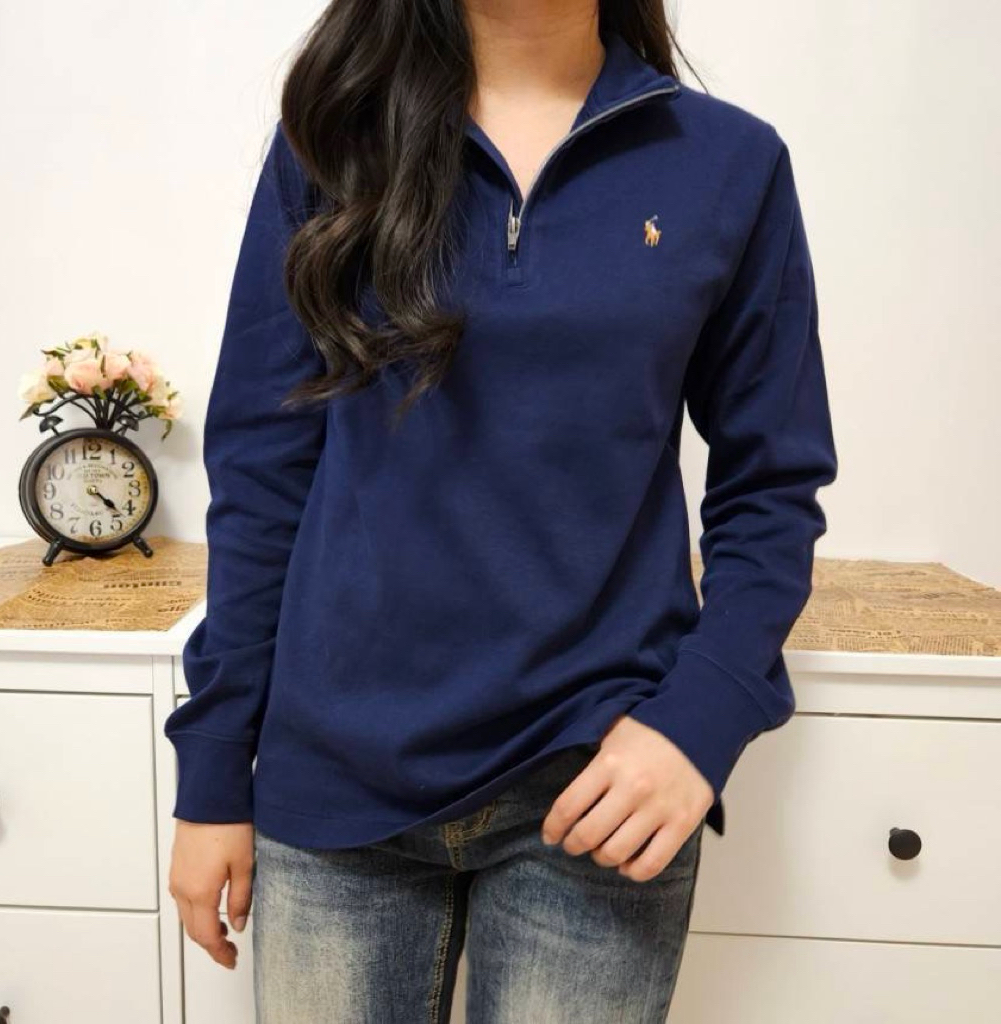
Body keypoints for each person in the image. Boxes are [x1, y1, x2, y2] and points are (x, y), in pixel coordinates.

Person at [165, 1, 838, 1020]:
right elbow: (262, 467)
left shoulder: (727, 163)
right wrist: (215, 764)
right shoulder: (334, 141)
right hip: (335, 778)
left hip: (595, 778)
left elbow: (771, 487)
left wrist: (699, 723)